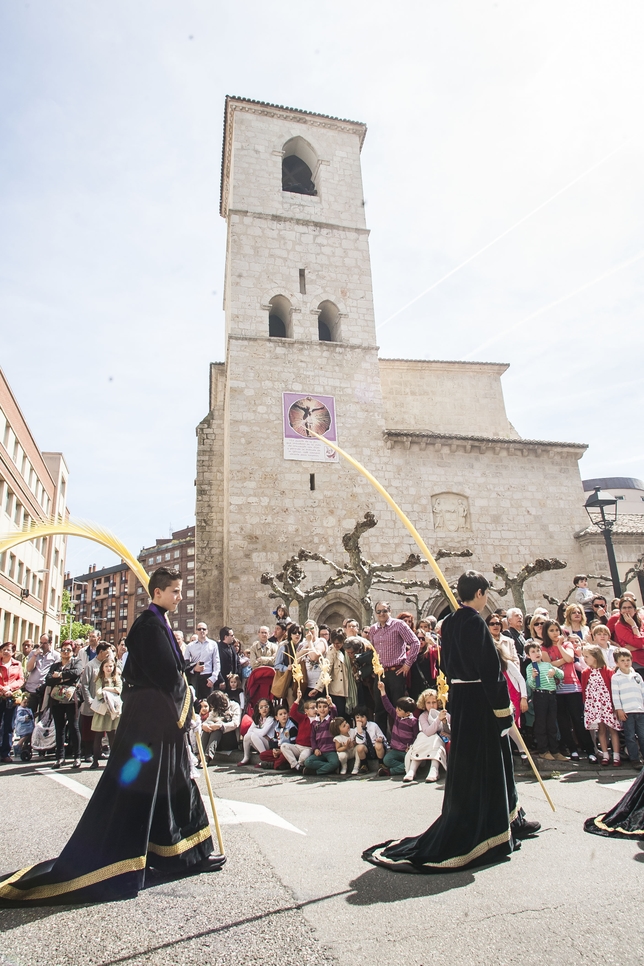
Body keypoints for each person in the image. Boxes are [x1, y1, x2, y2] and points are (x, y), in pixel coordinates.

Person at [0, 567, 223, 906]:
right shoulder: (148, 624)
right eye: (175, 591)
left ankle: (183, 854)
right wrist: (187, 700)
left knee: (172, 783)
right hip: (151, 720)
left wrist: (185, 690)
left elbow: (170, 670)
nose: (179, 596)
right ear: (159, 592)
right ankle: (143, 857)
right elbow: (165, 674)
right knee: (145, 789)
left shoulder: (157, 620)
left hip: (158, 720)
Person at [363, 571, 540, 874]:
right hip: (482, 702)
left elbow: (450, 666)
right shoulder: (473, 622)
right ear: (482, 593)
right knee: (490, 763)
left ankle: (512, 818)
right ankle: (493, 828)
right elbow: (490, 670)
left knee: (482, 764)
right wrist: (503, 711)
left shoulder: (450, 623)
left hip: (463, 699)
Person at [369, 601, 420, 737]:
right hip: (380, 674)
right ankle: (380, 741)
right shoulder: (373, 629)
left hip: (396, 671)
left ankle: (400, 738)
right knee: (379, 709)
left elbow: (415, 642)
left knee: (399, 708)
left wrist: (407, 664)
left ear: (389, 611)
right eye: (379, 611)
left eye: (384, 611)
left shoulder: (399, 625)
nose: (382, 614)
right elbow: (373, 651)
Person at [581, 645, 621, 767]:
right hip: (595, 706)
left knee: (612, 729)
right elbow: (584, 689)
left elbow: (612, 688)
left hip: (607, 704)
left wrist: (614, 705)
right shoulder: (585, 672)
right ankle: (605, 755)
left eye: (587, 656)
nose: (585, 659)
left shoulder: (608, 671)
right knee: (601, 730)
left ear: (595, 656)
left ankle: (616, 755)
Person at [525, 641, 565, 761]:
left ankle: (555, 750)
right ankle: (543, 750)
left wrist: (555, 672)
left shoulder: (547, 665)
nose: (536, 653)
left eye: (538, 651)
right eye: (533, 652)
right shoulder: (530, 667)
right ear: (528, 655)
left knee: (552, 723)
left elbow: (561, 675)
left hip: (551, 695)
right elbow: (531, 685)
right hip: (540, 695)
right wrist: (533, 676)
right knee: (541, 723)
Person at [45, 640, 82, 769]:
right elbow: (48, 679)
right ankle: (60, 757)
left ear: (73, 652)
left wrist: (60, 676)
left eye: (68, 650)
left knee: (73, 726)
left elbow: (76, 673)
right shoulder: (55, 665)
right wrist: (64, 678)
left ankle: (77, 756)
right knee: (59, 728)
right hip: (56, 698)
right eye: (63, 650)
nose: (66, 652)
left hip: (71, 698)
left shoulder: (76, 662)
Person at [403, 689, 450, 784]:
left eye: (434, 702)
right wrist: (438, 720)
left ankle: (434, 769)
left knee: (435, 739)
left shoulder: (446, 714)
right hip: (427, 738)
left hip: (440, 739)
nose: (431, 705)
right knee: (421, 736)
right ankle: (412, 769)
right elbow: (428, 731)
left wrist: (445, 723)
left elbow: (450, 731)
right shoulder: (423, 716)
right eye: (428, 703)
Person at [376, 681, 418, 776]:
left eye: (400, 710)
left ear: (407, 713)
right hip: (395, 750)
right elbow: (388, 706)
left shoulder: (413, 721)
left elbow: (416, 736)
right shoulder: (397, 716)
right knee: (387, 760)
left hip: (406, 751)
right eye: (397, 708)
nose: (397, 711)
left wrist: (412, 747)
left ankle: (391, 772)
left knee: (410, 760)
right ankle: (406, 767)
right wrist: (382, 691)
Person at [611, 648, 644, 766]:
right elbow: (615, 695)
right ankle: (634, 759)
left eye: (628, 660)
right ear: (617, 662)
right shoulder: (616, 677)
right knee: (630, 736)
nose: (626, 662)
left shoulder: (637, 676)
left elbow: (642, 692)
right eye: (622, 660)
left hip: (640, 710)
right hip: (627, 712)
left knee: (642, 735)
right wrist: (619, 709)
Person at [90, 656, 122, 769]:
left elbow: (119, 689)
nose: (109, 668)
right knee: (98, 736)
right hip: (102, 710)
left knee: (112, 736)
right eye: (107, 666)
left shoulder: (116, 678)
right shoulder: (100, 678)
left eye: (111, 666)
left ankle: (113, 761)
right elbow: (98, 693)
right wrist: (108, 691)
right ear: (102, 667)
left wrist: (106, 689)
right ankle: (95, 760)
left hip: (112, 711)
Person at [184, 622, 220, 705]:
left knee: (209, 704)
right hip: (195, 677)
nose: (201, 631)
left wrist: (213, 678)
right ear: (196, 631)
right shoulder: (190, 646)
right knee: (194, 702)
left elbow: (216, 662)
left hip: (208, 677)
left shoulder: (213, 644)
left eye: (204, 629)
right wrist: (194, 668)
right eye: (199, 629)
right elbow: (185, 663)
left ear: (207, 631)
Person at [201, 690, 241, 763]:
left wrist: (220, 726)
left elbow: (235, 723)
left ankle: (207, 756)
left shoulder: (234, 706)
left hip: (229, 741)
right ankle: (201, 755)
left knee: (218, 726)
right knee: (209, 724)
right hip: (217, 742)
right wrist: (204, 725)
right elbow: (208, 720)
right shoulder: (215, 710)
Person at [0, 641, 24, 763]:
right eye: (3, 649)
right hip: (0, 694)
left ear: (13, 652)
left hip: (11, 697)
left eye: (8, 649)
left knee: (9, 726)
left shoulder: (17, 664)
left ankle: (5, 752)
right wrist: (2, 689)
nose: (5, 651)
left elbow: (20, 680)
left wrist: (10, 688)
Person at [282, 689, 318, 771]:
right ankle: (295, 765)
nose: (315, 709)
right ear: (306, 711)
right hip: (298, 746)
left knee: (304, 756)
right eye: (312, 708)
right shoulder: (303, 718)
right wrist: (298, 699)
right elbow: (293, 713)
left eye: (316, 707)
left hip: (308, 748)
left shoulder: (319, 720)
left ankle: (299, 764)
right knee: (284, 746)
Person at [304, 696, 339, 775]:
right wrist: (315, 749)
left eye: (325, 707)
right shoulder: (314, 723)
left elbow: (334, 713)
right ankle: (329, 768)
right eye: (319, 707)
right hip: (320, 751)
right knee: (308, 762)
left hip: (330, 750)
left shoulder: (330, 720)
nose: (322, 709)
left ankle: (316, 772)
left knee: (335, 763)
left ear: (328, 708)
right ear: (317, 709)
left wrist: (331, 704)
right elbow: (312, 738)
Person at [24, 635, 59, 712]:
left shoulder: (55, 655)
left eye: (45, 643)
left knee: (42, 714)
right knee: (29, 714)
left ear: (50, 643)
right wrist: (35, 655)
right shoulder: (33, 653)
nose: (42, 645)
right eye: (41, 643)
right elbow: (29, 669)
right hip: (32, 688)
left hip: (45, 689)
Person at [611, 596, 644, 673]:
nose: (627, 610)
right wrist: (633, 624)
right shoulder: (619, 625)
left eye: (630, 607)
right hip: (635, 662)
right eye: (624, 608)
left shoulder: (641, 621)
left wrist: (638, 646)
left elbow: (638, 644)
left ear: (635, 610)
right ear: (620, 611)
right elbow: (638, 643)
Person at [239, 698, 275, 765]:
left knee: (253, 735)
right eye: (261, 707)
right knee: (247, 736)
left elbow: (263, 732)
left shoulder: (271, 719)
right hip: (261, 741)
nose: (264, 709)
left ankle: (265, 759)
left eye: (266, 706)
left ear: (269, 708)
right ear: (258, 710)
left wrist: (254, 730)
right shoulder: (258, 719)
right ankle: (246, 757)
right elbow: (248, 732)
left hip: (270, 743)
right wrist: (255, 731)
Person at [213, 627, 242, 705]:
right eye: (232, 635)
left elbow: (237, 662)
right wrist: (221, 680)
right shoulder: (218, 648)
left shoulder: (232, 647)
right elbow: (216, 665)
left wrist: (237, 676)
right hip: (222, 681)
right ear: (225, 637)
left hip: (232, 682)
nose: (233, 637)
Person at [352, 706, 386, 771]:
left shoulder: (373, 725)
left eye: (362, 717)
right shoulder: (356, 730)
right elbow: (360, 742)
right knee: (359, 747)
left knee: (378, 745)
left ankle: (381, 763)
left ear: (366, 717)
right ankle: (364, 764)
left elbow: (382, 736)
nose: (360, 719)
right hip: (367, 750)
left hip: (376, 748)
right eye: (357, 717)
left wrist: (380, 739)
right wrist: (359, 730)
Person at [327, 628, 350, 718]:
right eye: (334, 643)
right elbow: (327, 669)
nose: (336, 645)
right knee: (339, 713)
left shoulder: (348, 648)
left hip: (349, 687)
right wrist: (318, 687)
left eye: (338, 643)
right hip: (337, 689)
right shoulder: (331, 650)